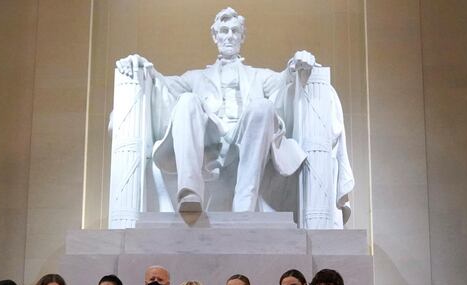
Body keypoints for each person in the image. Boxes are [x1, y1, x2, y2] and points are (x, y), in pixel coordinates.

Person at [116, 7, 317, 212]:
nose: (229, 36)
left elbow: (284, 81)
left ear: (242, 37)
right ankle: (190, 194)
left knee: (262, 106)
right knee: (186, 101)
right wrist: (143, 68)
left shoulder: (259, 76)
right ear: (215, 36)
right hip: (210, 141)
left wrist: (296, 64)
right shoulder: (195, 77)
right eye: (223, 31)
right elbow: (163, 84)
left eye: (234, 31)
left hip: (247, 140)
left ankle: (244, 204)